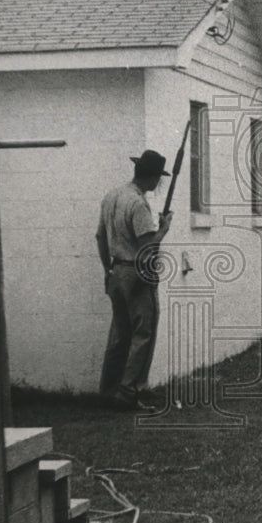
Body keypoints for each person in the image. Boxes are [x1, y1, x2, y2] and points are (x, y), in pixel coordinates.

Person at [96, 149, 173, 411]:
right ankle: (129, 393)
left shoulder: (111, 197)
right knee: (143, 333)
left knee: (120, 334)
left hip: (115, 272)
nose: (158, 184)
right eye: (158, 178)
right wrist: (162, 230)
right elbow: (147, 248)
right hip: (137, 273)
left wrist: (108, 269)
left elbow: (99, 237)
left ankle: (108, 391)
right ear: (151, 178)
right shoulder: (138, 204)